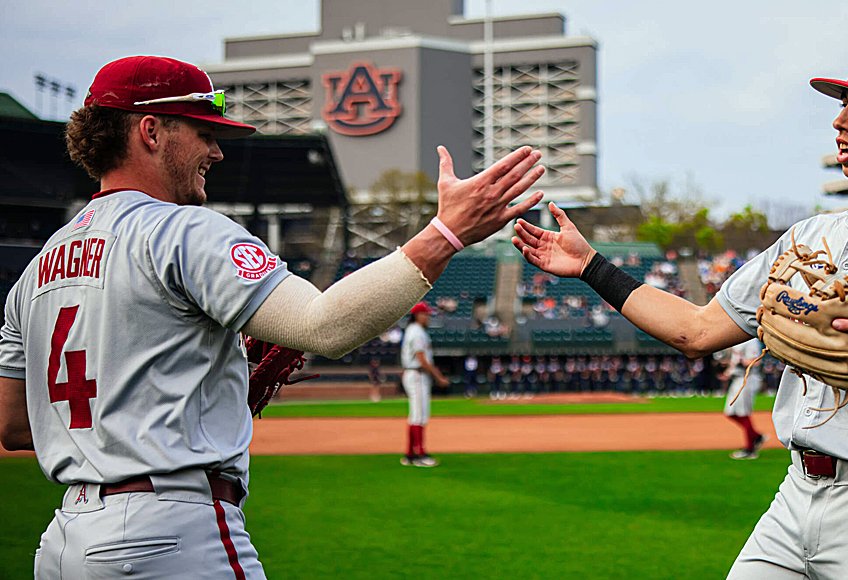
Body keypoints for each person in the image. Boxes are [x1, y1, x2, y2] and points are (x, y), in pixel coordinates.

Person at [0, 55, 545, 578]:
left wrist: (198, 395)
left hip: (65, 540)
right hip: (170, 532)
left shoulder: (35, 272)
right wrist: (445, 234)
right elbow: (325, 327)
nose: (216, 152)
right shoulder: (184, 230)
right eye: (204, 133)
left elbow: (16, 427)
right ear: (151, 131)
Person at [512, 46, 848, 579]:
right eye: (844, 102)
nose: (841, 118)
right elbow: (696, 330)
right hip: (795, 495)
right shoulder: (810, 237)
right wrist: (593, 267)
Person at [400, 302, 448, 467]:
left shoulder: (412, 330)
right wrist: (439, 377)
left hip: (414, 374)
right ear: (418, 315)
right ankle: (419, 454)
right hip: (418, 374)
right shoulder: (417, 332)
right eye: (425, 314)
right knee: (419, 415)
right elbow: (421, 359)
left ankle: (410, 454)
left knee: (415, 415)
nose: (427, 317)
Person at [724, 339, 767, 460]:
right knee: (730, 412)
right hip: (737, 378)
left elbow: (755, 362)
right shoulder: (737, 340)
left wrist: (742, 362)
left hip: (748, 379)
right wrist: (728, 371)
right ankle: (756, 436)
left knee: (743, 413)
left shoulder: (751, 341)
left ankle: (750, 449)